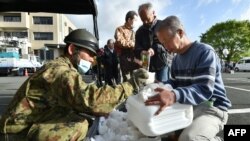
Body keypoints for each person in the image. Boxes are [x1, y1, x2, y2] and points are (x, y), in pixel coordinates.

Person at [0, 29, 148, 141]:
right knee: (79, 125)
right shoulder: (60, 72)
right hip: (16, 132)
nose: (92, 59)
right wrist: (130, 85)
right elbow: (91, 99)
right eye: (89, 53)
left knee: (82, 116)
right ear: (72, 50)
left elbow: (79, 99)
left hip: (32, 121)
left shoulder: (64, 68)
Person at [145, 16, 232, 141]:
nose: (165, 47)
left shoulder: (205, 52)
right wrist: (158, 86)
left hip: (212, 109)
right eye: (162, 43)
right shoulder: (176, 60)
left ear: (180, 33)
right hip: (189, 108)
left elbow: (204, 89)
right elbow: (174, 83)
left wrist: (173, 95)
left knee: (189, 138)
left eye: (166, 41)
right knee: (157, 130)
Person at [135, 2, 169, 83]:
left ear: (153, 13)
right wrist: (141, 52)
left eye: (147, 19)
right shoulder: (139, 31)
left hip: (162, 64)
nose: (145, 22)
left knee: (162, 87)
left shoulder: (163, 25)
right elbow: (136, 48)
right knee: (147, 90)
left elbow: (168, 45)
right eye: (143, 20)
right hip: (147, 66)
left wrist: (155, 48)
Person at [114, 10, 141, 82]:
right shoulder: (120, 29)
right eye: (135, 20)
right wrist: (132, 44)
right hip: (125, 59)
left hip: (134, 60)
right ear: (129, 20)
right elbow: (120, 41)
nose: (136, 22)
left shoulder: (134, 32)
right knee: (127, 81)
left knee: (135, 81)